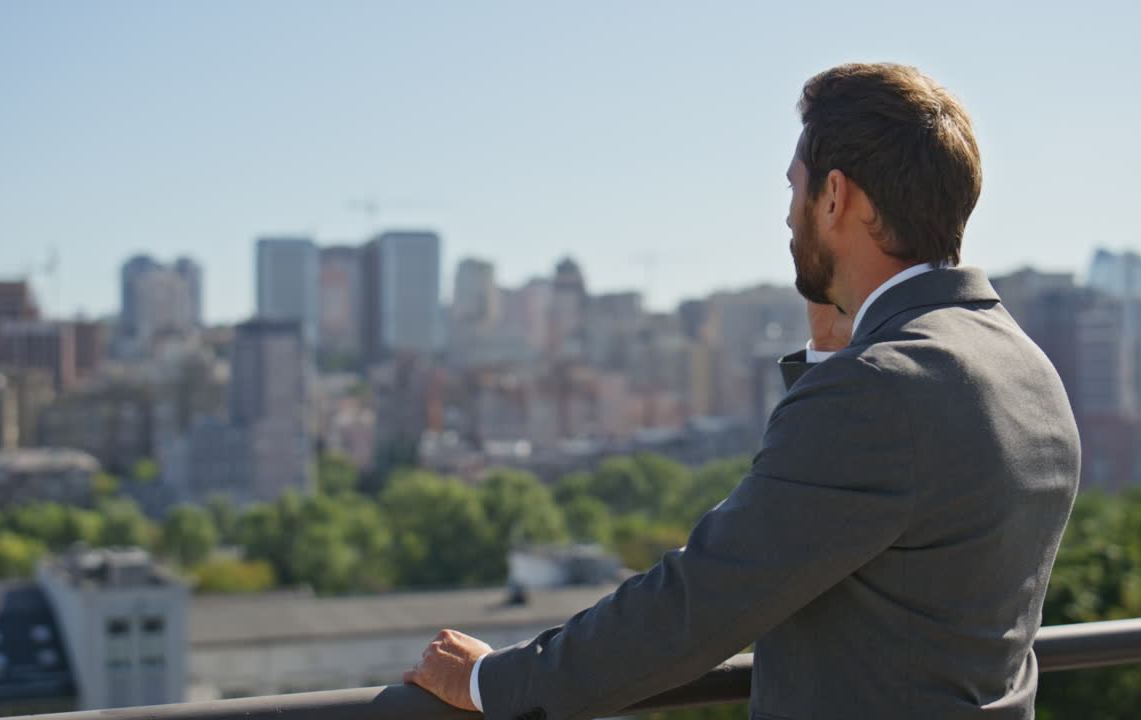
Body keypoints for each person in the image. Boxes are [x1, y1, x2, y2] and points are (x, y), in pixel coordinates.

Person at [403, 63, 1080, 719]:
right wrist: (829, 350)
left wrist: (497, 682)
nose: (788, 218)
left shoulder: (877, 391)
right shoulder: (1026, 368)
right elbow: (872, 544)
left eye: (796, 190)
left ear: (837, 197)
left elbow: (703, 599)